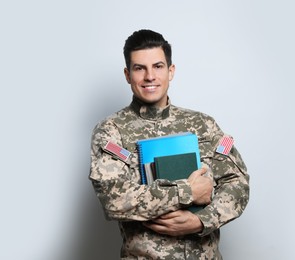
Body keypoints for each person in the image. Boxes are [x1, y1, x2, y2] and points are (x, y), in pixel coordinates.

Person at [89, 29, 250, 259]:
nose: (150, 76)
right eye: (139, 68)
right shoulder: (111, 131)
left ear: (170, 71)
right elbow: (114, 199)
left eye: (158, 66)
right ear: (127, 75)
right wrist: (187, 192)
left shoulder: (203, 124)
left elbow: (238, 183)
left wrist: (200, 221)